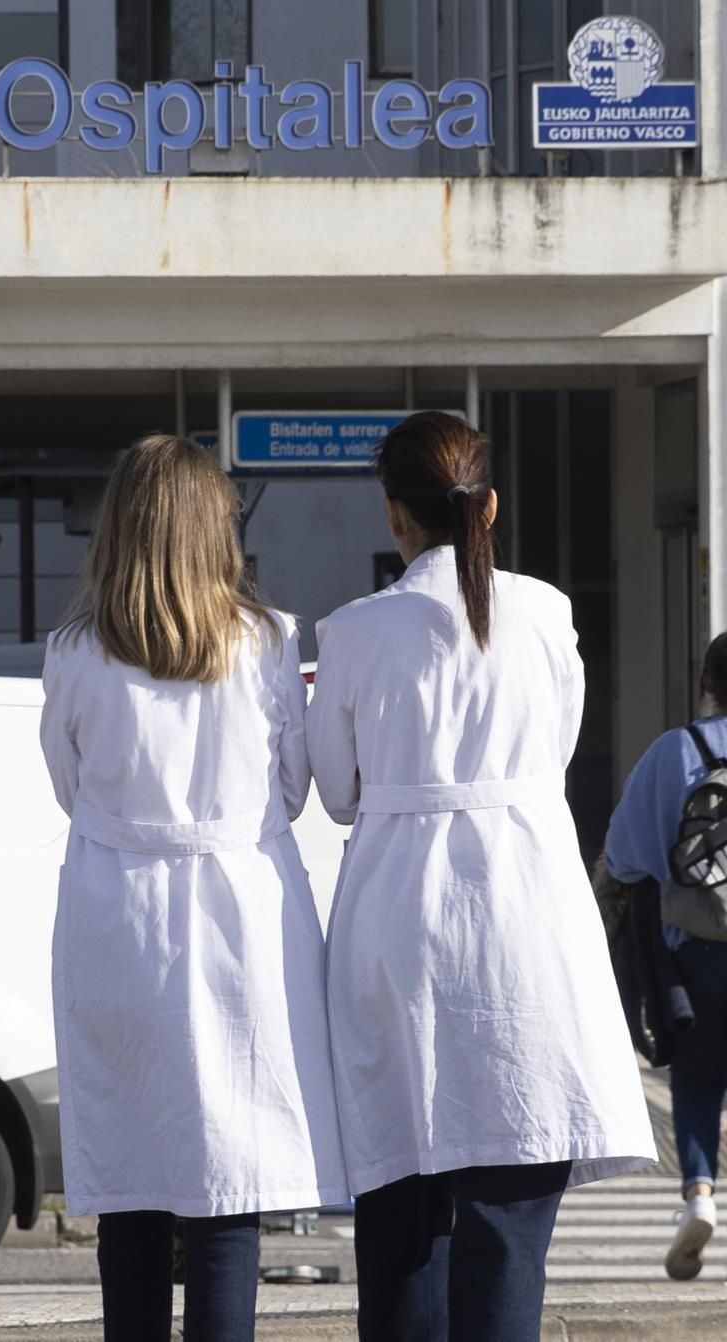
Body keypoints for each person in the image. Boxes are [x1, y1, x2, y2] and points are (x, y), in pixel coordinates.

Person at [307, 411, 655, 1341]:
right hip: (523, 916)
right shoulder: (547, 613)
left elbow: (336, 794)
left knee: (397, 1214)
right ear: (489, 506)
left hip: (394, 923)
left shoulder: (352, 632)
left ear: (395, 517)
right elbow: (561, 750)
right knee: (507, 1214)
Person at [38, 435, 348, 1342]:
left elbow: (70, 782)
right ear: (218, 527)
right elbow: (292, 787)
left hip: (117, 914)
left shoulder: (74, 651)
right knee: (232, 1176)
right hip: (241, 908)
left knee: (131, 1170)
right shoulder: (270, 639)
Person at [604, 630, 727, 1280]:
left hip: (694, 954)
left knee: (698, 1079)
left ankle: (699, 1195)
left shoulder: (673, 752)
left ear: (708, 683)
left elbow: (622, 855)